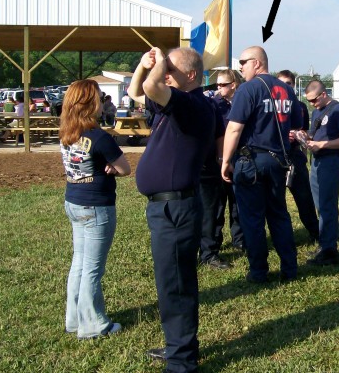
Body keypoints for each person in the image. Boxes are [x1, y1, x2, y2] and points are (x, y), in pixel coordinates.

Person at [129, 46, 215, 372]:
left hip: (175, 208)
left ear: (190, 75)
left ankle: (181, 362)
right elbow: (138, 91)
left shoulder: (193, 105)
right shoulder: (176, 105)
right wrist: (142, 63)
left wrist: (159, 62)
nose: (164, 73)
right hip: (168, 208)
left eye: (171, 69)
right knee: (171, 283)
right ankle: (179, 347)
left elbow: (152, 87)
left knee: (176, 285)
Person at [221, 46, 301, 283]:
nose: (241, 67)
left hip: (251, 161)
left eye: (243, 62)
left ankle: (258, 272)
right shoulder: (287, 90)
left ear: (256, 63)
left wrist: (226, 161)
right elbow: (295, 126)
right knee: (279, 215)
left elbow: (234, 128)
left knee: (252, 218)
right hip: (278, 161)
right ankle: (290, 268)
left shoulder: (248, 89)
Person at [59, 79, 131, 339]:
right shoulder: (99, 137)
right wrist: (111, 167)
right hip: (97, 206)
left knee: (79, 263)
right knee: (92, 269)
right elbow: (125, 168)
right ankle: (93, 325)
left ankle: (74, 319)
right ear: (92, 103)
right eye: (99, 97)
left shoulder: (67, 133)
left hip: (74, 202)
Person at [304, 79, 339, 266]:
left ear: (323, 94)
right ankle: (325, 244)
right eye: (309, 101)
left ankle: (329, 251)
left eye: (314, 100)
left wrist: (322, 145)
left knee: (327, 206)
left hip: (330, 161)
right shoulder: (318, 110)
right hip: (317, 161)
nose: (312, 104)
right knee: (320, 205)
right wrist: (303, 137)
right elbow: (316, 134)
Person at [199, 69, 244, 270]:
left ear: (233, 84)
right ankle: (210, 249)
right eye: (217, 85)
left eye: (222, 85)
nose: (218, 89)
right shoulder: (213, 105)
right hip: (217, 163)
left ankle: (240, 241)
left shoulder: (243, 102)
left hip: (239, 159)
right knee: (214, 209)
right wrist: (221, 159)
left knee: (238, 205)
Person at [276, 70, 320, 242]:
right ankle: (282, 235)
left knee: (304, 198)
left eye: (288, 83)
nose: (285, 86)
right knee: (277, 200)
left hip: (295, 156)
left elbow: (305, 131)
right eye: (281, 83)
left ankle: (315, 233)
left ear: (293, 85)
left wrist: (299, 137)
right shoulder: (270, 104)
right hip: (276, 156)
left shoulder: (300, 106)